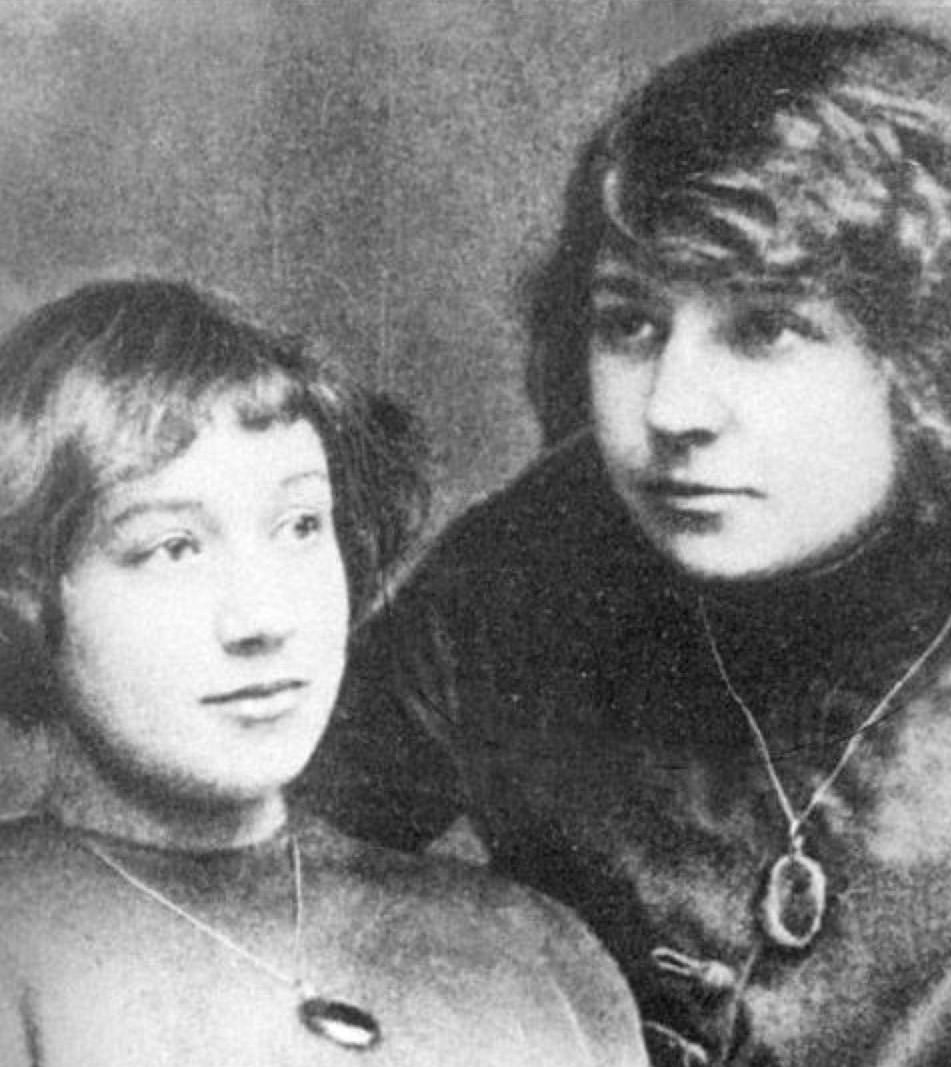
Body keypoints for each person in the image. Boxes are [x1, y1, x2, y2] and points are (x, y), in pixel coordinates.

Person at [301, 20, 951, 1067]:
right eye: (630, 324)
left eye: (764, 329)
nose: (672, 408)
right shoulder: (534, 560)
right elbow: (260, 865)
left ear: (928, 361)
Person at [0, 278, 648, 1067]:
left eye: (301, 525)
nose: (265, 617)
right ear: (26, 594)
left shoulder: (536, 946)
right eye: (174, 547)